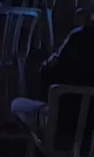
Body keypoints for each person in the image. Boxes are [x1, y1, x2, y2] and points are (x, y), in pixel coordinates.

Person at [12, 20, 94, 150]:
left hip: (62, 126)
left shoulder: (80, 36)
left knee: (17, 103)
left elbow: (47, 74)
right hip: (90, 137)